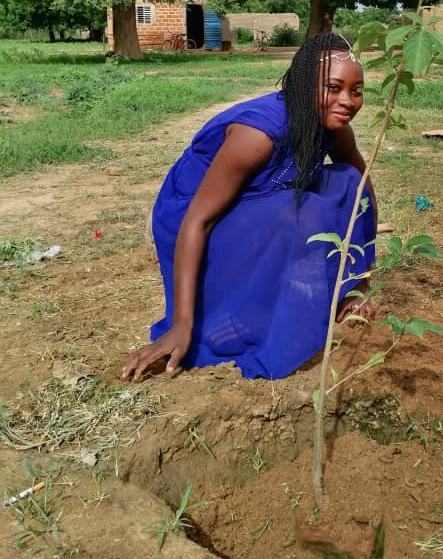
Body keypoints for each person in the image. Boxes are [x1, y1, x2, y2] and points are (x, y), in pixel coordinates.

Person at [122, 33, 376, 383]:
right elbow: (199, 219)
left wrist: (360, 282)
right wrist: (181, 324)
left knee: (346, 181)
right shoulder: (258, 135)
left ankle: (326, 287)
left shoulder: (335, 127)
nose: (347, 101)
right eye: (333, 88)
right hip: (192, 217)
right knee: (303, 212)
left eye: (357, 90)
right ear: (304, 86)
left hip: (262, 199)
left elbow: (361, 189)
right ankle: (230, 305)